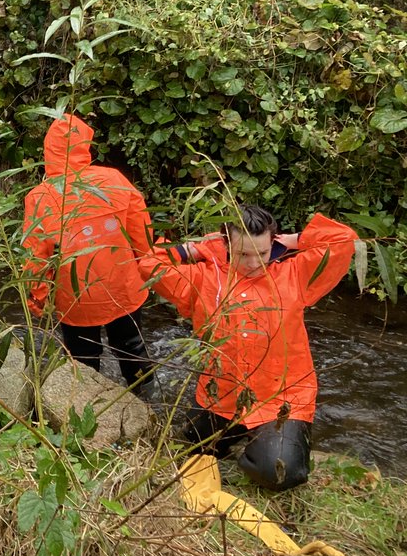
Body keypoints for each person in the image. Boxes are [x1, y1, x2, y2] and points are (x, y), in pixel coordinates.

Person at [140, 204, 356, 491]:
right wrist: (204, 248)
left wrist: (292, 240)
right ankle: (249, 439)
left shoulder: (295, 274)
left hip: (283, 399)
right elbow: (147, 261)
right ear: (227, 246)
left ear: (273, 245)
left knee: (280, 472)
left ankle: (266, 444)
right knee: (187, 450)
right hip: (221, 398)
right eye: (243, 254)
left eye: (263, 253)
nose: (254, 263)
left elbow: (343, 240)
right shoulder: (206, 279)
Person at [22, 113, 154, 388]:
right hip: (123, 288)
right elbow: (142, 233)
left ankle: (87, 406)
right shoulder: (115, 180)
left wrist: (38, 299)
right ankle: (146, 403)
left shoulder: (40, 196)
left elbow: (36, 255)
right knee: (132, 348)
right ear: (85, 146)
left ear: (48, 152)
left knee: (83, 357)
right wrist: (149, 269)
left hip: (75, 298)